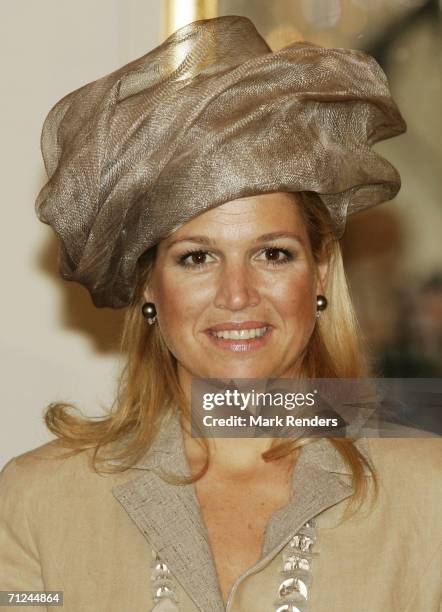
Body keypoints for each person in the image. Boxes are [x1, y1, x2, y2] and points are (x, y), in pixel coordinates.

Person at [0, 15, 441, 612]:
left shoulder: (428, 492)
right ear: (150, 284)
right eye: (197, 256)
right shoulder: (39, 501)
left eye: (272, 253)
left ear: (318, 271)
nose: (237, 294)